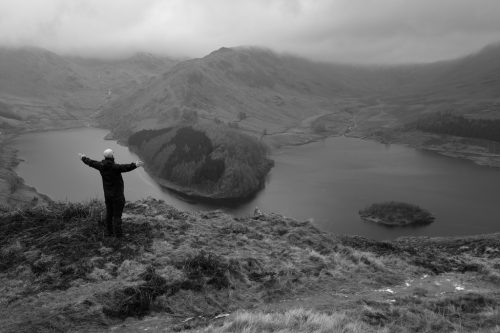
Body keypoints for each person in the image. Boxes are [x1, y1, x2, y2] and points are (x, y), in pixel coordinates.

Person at [78, 149, 143, 238]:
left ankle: (109, 233)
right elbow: (126, 167)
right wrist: (135, 164)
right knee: (117, 216)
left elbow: (91, 162)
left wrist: (83, 157)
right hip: (117, 196)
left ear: (105, 157)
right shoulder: (115, 167)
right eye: (113, 153)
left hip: (108, 196)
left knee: (109, 214)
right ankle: (119, 237)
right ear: (112, 156)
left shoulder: (100, 165)